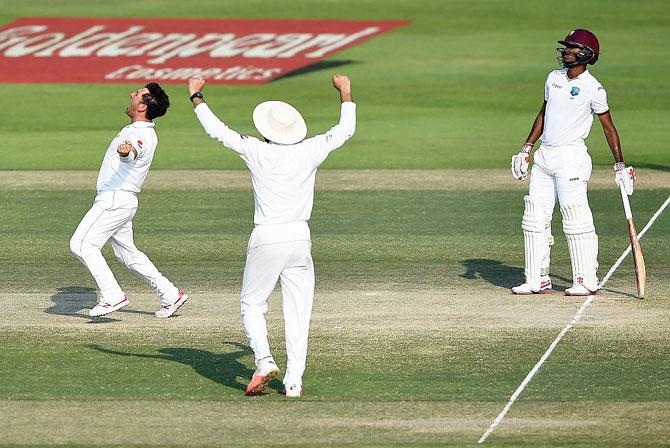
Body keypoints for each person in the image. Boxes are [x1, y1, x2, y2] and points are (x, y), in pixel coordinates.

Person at [187, 74, 356, 397]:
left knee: (252, 303)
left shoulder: (256, 150)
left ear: (266, 130)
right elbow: (345, 130)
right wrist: (345, 92)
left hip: (268, 235)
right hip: (299, 238)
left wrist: (197, 97)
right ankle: (294, 382)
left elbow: (218, 132)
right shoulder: (310, 150)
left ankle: (264, 361)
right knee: (298, 311)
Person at [510, 29, 636, 296]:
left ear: (587, 54)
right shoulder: (553, 78)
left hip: (572, 158)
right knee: (534, 218)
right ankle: (537, 279)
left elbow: (609, 129)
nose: (565, 51)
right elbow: (543, 114)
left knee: (575, 218)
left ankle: (586, 279)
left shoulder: (594, 88)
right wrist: (526, 148)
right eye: (565, 47)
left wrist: (620, 165)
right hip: (545, 155)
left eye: (571, 47)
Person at [70, 83, 188, 318]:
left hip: (114, 200)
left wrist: (126, 153)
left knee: (82, 245)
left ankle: (112, 295)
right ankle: (170, 293)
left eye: (136, 94)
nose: (131, 94)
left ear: (143, 105)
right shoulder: (137, 129)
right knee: (127, 254)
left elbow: (131, 152)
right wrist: (127, 152)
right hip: (122, 200)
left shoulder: (140, 134)